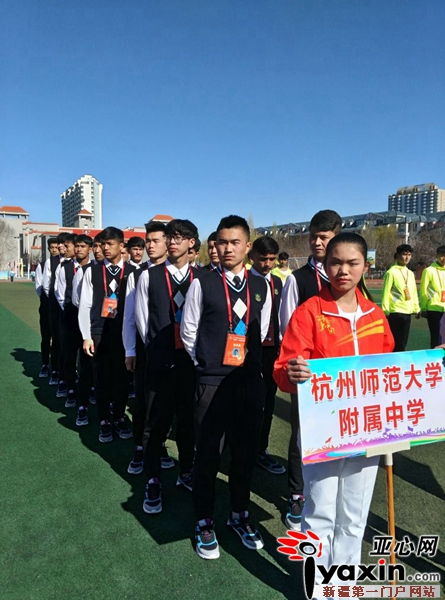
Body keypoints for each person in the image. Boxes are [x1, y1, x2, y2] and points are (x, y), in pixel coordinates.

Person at [274, 232, 394, 588]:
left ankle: (344, 586)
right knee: (319, 512)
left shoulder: (375, 315)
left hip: (367, 429)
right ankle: (319, 587)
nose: (343, 270)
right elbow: (282, 370)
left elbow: (391, 369)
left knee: (355, 515)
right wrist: (292, 372)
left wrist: (433, 360)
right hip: (323, 430)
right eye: (335, 262)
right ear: (324, 266)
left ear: (364, 266)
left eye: (352, 263)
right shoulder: (308, 312)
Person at [181, 215, 271, 560]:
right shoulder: (202, 283)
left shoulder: (261, 285)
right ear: (215, 245)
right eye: (222, 242)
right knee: (208, 455)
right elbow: (189, 332)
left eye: (235, 242)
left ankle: (239, 515)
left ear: (247, 246)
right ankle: (204, 520)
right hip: (212, 381)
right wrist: (208, 363)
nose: (228, 248)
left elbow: (262, 331)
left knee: (245, 455)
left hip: (248, 381)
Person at [280, 209, 342, 531]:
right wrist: (299, 365)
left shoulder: (346, 278)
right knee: (302, 434)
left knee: (337, 432)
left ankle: (328, 491)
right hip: (308, 375)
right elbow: (286, 328)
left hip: (341, 376)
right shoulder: (297, 279)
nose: (318, 243)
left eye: (325, 237)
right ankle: (296, 493)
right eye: (314, 237)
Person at [135, 219, 201, 513]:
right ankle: (152, 479)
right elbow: (142, 320)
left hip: (190, 363)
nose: (172, 242)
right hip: (160, 361)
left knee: (187, 421)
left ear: (191, 243)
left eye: (179, 237)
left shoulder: (203, 278)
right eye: (169, 237)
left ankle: (186, 471)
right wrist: (155, 350)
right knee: (156, 422)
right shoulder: (149, 276)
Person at [79, 226, 135, 442]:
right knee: (101, 378)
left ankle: (119, 416)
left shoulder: (134, 272)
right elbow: (84, 305)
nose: (105, 248)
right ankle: (104, 419)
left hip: (124, 333)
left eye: (110, 243)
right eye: (102, 244)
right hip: (99, 332)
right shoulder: (92, 272)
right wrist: (86, 335)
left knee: (123, 378)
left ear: (122, 246)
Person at [123, 221, 169, 475]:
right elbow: (130, 317)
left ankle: (159, 445)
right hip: (146, 350)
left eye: (155, 241)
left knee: (167, 403)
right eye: (147, 241)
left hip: (174, 351)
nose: (150, 246)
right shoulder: (137, 275)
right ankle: (140, 447)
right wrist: (131, 349)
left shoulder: (181, 274)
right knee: (143, 402)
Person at [249, 236, 285, 474]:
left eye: (272, 259)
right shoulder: (244, 280)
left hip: (272, 351)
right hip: (247, 350)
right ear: (252, 256)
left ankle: (261, 450)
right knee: (247, 401)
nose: (268, 264)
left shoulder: (278, 282)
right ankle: (242, 447)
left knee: (268, 400)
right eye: (263, 259)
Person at [55, 234, 93, 408]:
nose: (78, 249)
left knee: (87, 358)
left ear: (90, 249)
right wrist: (72, 310)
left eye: (83, 246)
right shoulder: (65, 268)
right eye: (76, 246)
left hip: (89, 320)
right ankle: (70, 388)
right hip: (70, 317)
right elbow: (60, 293)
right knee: (69, 355)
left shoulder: (95, 268)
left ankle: (88, 388)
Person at [381, 244, 420, 351]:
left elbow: (413, 292)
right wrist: (386, 310)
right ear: (397, 256)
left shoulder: (410, 273)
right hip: (396, 312)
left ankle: (400, 360)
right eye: (404, 254)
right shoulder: (391, 273)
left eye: (409, 255)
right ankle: (392, 360)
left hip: (408, 312)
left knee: (403, 342)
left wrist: (416, 308)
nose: (407, 257)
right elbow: (386, 293)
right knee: (395, 342)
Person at [35, 237, 59, 378]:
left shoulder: (64, 264)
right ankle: (45, 364)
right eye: (52, 248)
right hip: (46, 306)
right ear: (49, 249)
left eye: (56, 247)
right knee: (46, 336)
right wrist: (49, 300)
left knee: (57, 338)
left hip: (58, 308)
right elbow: (40, 287)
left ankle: (56, 367)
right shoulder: (43, 265)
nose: (54, 250)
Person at [419, 246, 445, 348]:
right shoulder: (429, 271)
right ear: (436, 256)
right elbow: (423, 290)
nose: (444, 258)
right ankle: (434, 357)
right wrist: (423, 308)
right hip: (433, 309)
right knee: (435, 337)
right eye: (442, 255)